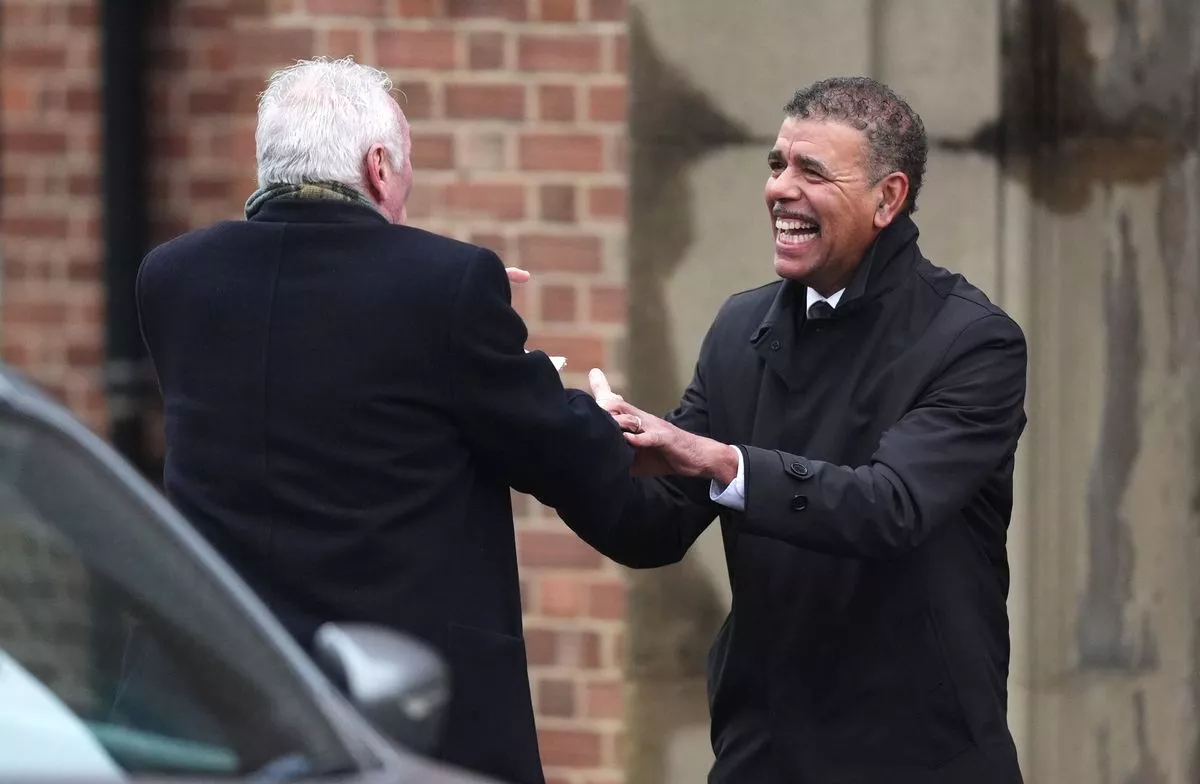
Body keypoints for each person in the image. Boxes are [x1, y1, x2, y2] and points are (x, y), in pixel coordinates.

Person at [135, 57, 632, 784]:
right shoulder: (446, 285)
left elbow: (318, 384)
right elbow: (556, 450)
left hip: (216, 705)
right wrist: (581, 403)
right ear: (377, 166)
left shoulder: (171, 278)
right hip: (401, 715)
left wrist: (440, 307)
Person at [583, 77, 1028, 784]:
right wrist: (555, 436)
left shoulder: (973, 343)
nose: (779, 189)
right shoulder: (740, 328)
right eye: (776, 164)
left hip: (917, 756)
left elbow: (891, 508)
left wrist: (724, 463)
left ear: (888, 198)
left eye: (811, 171)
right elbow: (654, 526)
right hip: (765, 754)